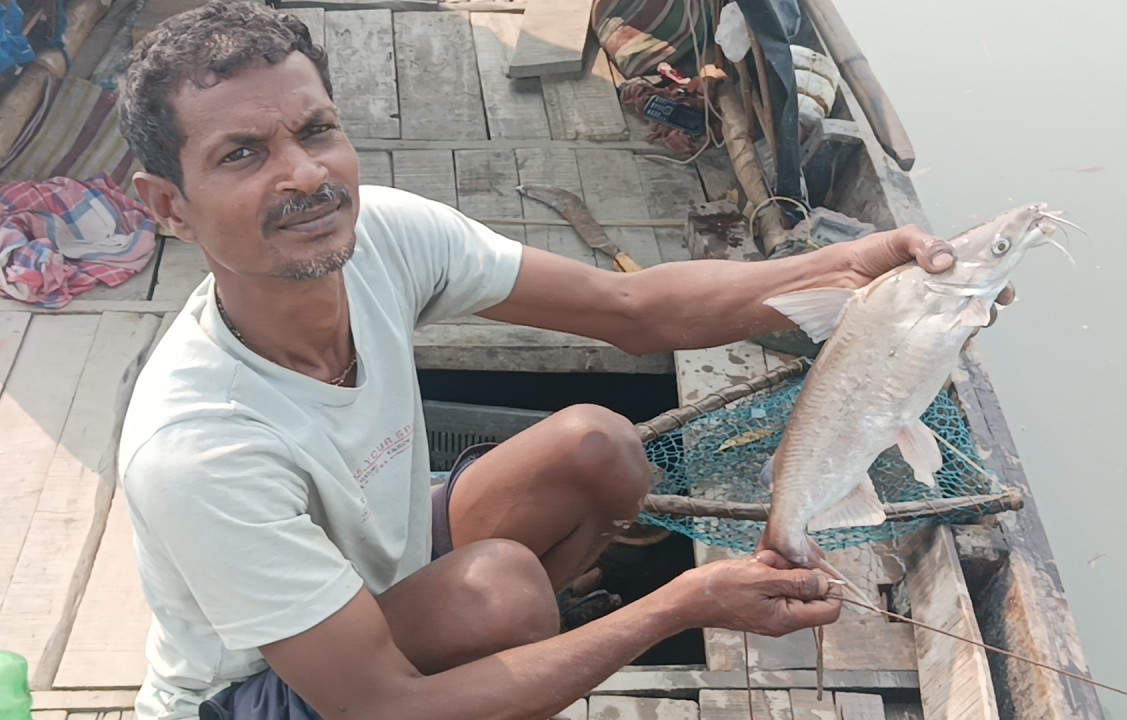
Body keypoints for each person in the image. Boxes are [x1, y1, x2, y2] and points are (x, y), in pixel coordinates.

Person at [114, 2, 1010, 719]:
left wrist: (846, 267)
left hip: (379, 568)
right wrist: (675, 608)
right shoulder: (199, 449)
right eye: (243, 154)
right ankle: (513, 653)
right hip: (264, 686)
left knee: (597, 445)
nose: (305, 175)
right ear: (169, 207)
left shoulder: (382, 232)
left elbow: (631, 309)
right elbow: (377, 703)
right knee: (500, 595)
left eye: (316, 130)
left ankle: (513, 659)